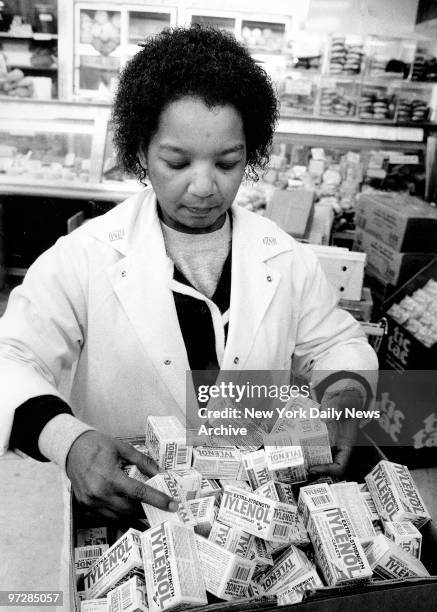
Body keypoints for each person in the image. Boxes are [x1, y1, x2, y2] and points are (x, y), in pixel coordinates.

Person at [0, 25, 378, 521]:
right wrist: (67, 440)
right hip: (126, 517)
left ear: (252, 155)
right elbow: (12, 358)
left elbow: (338, 345)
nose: (203, 187)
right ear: (140, 152)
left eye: (227, 162)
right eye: (177, 162)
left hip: (253, 521)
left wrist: (342, 400)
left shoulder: (284, 259)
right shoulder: (84, 257)